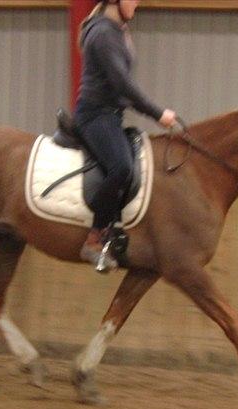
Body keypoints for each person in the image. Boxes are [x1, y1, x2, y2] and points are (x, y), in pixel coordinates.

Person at [74, 0, 177, 271]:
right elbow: (122, 84)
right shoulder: (104, 33)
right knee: (121, 167)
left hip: (111, 115)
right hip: (95, 115)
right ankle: (94, 239)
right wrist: (157, 113)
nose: (137, 2)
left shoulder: (116, 30)